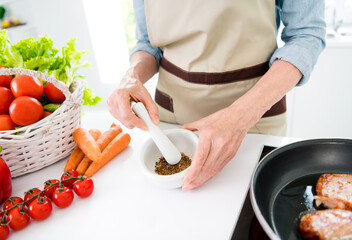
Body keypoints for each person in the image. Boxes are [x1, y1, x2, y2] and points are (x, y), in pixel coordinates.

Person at [108, 0, 326, 191]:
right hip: (171, 118)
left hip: (255, 119)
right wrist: (132, 75)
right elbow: (148, 43)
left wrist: (239, 118)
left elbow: (306, 35)